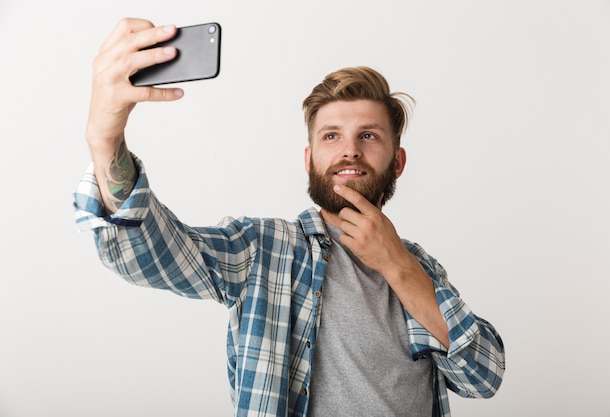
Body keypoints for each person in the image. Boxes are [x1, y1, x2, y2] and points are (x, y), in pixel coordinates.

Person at [74, 18, 505, 417]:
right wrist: (105, 136)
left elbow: (484, 377)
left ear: (398, 162)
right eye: (331, 135)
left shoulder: (420, 269)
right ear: (309, 158)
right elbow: (142, 252)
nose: (350, 150)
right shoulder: (261, 249)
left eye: (368, 136)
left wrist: (397, 264)